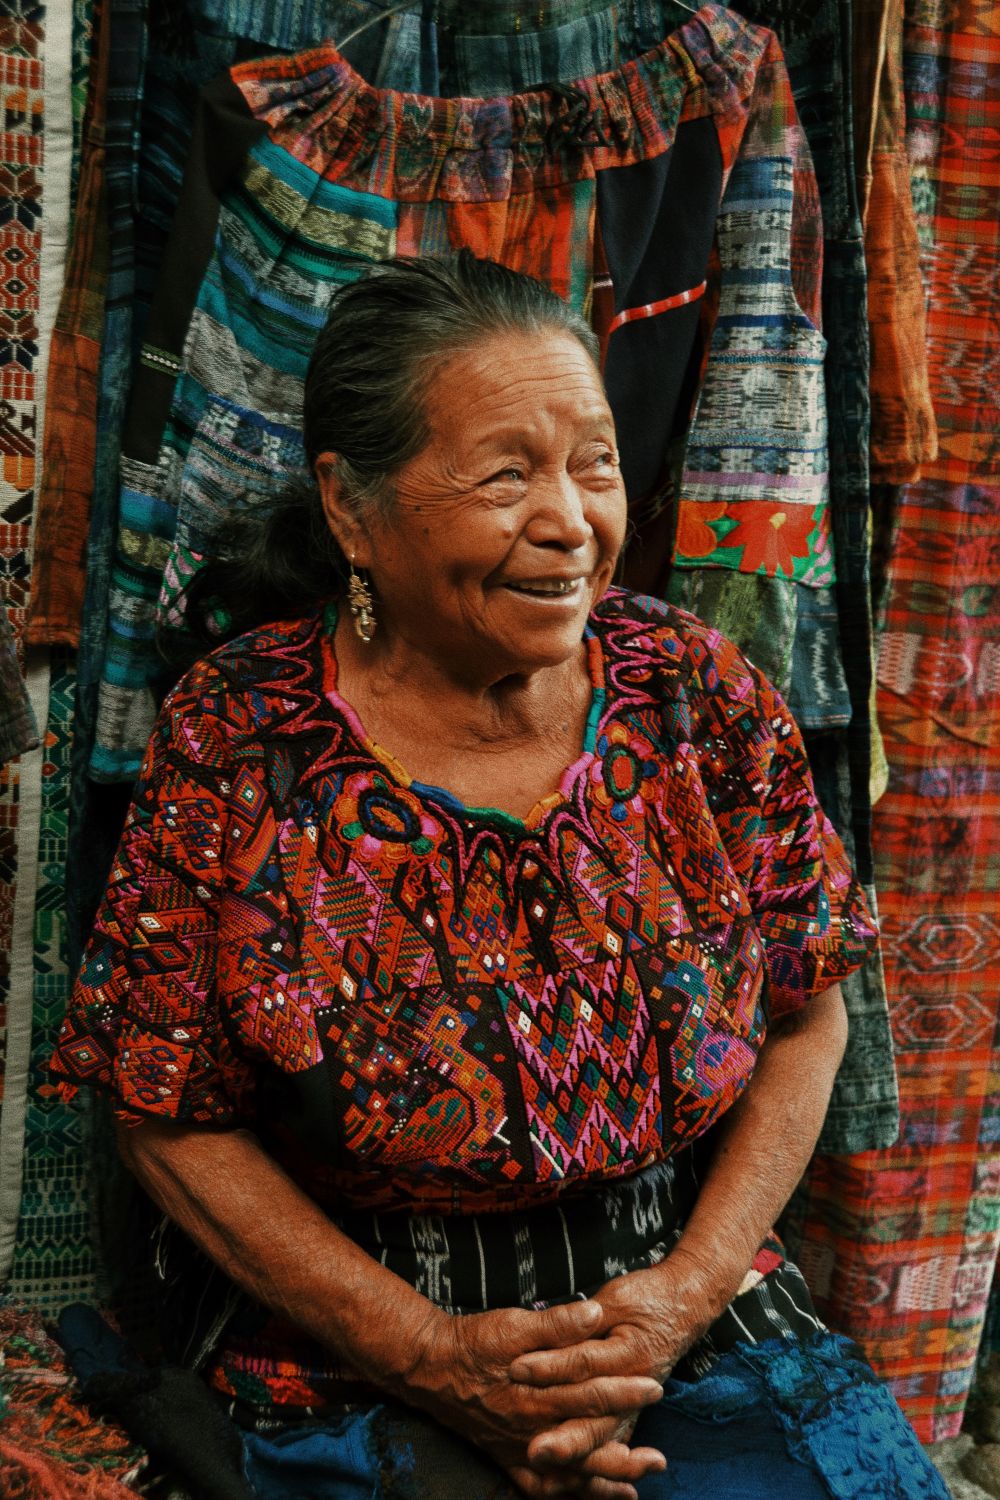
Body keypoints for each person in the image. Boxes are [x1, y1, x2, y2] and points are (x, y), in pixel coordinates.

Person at [52, 253, 947, 1500]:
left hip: (683, 1313)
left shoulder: (692, 689)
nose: (571, 520)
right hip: (359, 1348)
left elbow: (808, 1009)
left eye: (593, 461)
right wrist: (430, 1356)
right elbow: (166, 1113)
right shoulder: (242, 733)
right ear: (352, 509)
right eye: (506, 474)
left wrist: (676, 1303)